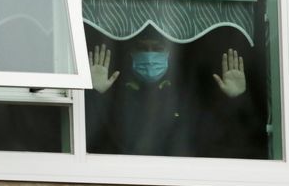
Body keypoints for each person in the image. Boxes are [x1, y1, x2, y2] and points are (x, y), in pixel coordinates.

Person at [84, 31, 254, 157]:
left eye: (157, 48)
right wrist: (96, 94)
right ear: (130, 53)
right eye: (142, 48)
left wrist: (233, 99)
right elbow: (94, 139)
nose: (149, 55)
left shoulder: (186, 94)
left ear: (170, 53)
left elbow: (218, 139)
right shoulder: (117, 94)